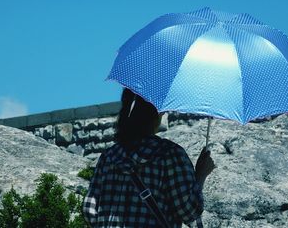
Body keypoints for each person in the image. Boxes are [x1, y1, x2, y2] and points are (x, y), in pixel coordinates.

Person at [83, 88, 215, 227]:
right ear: (159, 112)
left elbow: (89, 209)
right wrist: (200, 175)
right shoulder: (170, 155)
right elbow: (189, 211)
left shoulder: (109, 156)